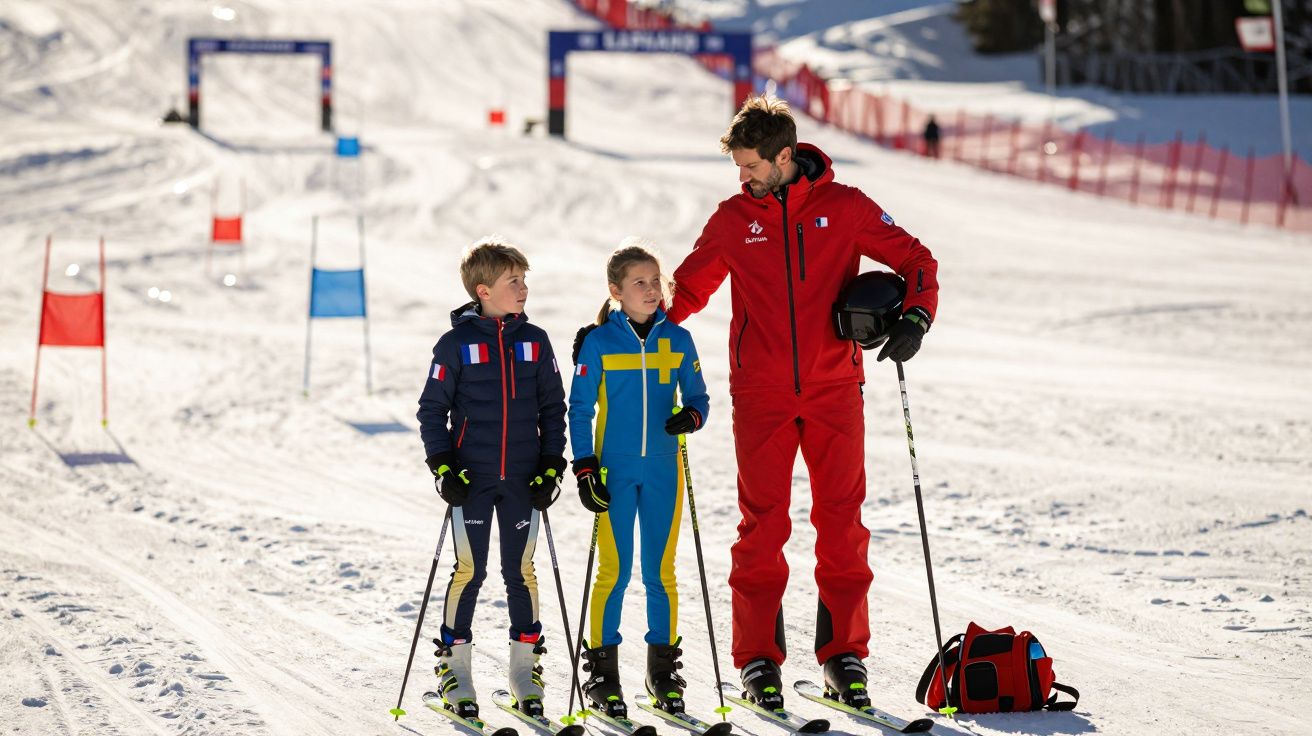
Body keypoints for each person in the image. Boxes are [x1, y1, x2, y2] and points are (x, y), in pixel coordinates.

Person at [665, 96, 940, 710]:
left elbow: (917, 260)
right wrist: (623, 325)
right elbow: (685, 293)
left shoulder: (846, 207)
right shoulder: (733, 219)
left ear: (784, 156)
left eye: (751, 166)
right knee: (762, 526)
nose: (743, 178)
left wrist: (916, 318)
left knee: (842, 524)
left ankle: (844, 656)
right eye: (739, 168)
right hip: (759, 393)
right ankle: (757, 659)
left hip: (834, 389)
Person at [416, 239, 568, 719]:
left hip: (523, 478)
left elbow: (553, 408)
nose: (523, 289)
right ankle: (454, 670)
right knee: (469, 570)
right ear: (483, 291)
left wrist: (552, 464)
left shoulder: (536, 340)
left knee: (521, 571)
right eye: (513, 281)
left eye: (524, 280)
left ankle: (525, 673)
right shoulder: (455, 345)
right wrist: (444, 466)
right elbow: (431, 411)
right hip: (472, 479)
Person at [568, 244, 711, 717]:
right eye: (639, 283)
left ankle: (662, 674)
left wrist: (692, 415)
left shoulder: (679, 339)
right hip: (615, 470)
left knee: (661, 573)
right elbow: (579, 409)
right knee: (614, 571)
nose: (651, 290)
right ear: (616, 291)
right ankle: (602, 676)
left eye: (656, 281)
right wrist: (585, 466)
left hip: (664, 470)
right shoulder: (599, 342)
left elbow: (699, 397)